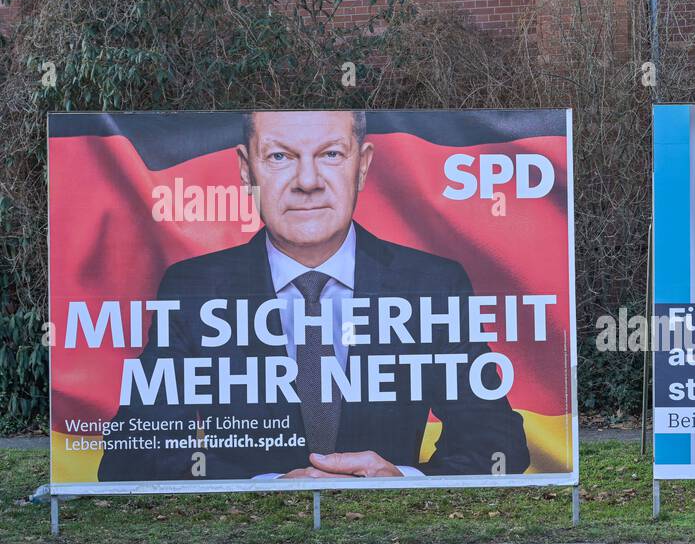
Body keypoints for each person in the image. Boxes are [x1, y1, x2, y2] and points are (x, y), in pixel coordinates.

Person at [98, 110, 529, 481]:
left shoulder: (432, 284)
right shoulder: (193, 289)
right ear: (247, 170)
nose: (307, 181)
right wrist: (262, 488)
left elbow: (499, 446)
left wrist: (403, 480)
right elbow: (130, 455)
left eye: (331, 154)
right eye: (280, 156)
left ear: (362, 165)